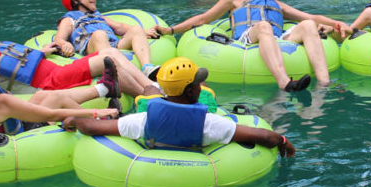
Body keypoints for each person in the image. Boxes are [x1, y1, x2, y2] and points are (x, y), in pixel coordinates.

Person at [156, 0, 352, 91]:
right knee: (264, 25)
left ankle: (324, 84)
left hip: (275, 39)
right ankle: (284, 82)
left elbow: (311, 16)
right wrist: (171, 30)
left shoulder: (274, 2)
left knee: (308, 24)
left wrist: (337, 23)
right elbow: (203, 19)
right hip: (246, 39)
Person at [62, 57, 295, 157]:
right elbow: (264, 136)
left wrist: (74, 121)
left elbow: (93, 128)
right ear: (193, 91)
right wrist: (283, 142)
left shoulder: (142, 121)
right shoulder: (210, 123)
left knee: (148, 93)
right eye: (197, 83)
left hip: (150, 146)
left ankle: (146, 84)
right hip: (201, 154)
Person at [55, 0, 161, 79]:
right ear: (76, 1)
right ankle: (116, 74)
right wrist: (64, 44)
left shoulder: (98, 16)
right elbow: (59, 38)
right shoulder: (69, 19)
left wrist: (144, 31)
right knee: (100, 34)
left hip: (112, 44)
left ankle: (147, 67)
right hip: (90, 46)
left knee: (137, 29)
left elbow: (118, 27)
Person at [0, 40, 156, 97]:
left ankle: (153, 87)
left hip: (58, 71)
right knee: (108, 60)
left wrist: (41, 52)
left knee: (111, 52)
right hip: (52, 83)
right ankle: (148, 98)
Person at [0, 88, 119, 136]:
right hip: (22, 138)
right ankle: (99, 122)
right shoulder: (2, 102)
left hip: (13, 125)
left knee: (40, 95)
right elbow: (53, 115)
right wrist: (96, 112)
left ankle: (104, 88)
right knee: (58, 99)